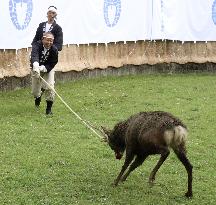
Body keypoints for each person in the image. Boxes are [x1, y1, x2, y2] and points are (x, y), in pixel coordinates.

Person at [30, 32, 58, 115]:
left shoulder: (54, 49)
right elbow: (34, 55)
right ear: (43, 39)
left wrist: (44, 68)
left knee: (50, 87)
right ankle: (38, 97)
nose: (49, 43)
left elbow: (53, 62)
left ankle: (48, 109)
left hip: (48, 69)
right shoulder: (36, 45)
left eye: (51, 41)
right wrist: (36, 65)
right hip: (35, 68)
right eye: (47, 40)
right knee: (35, 91)